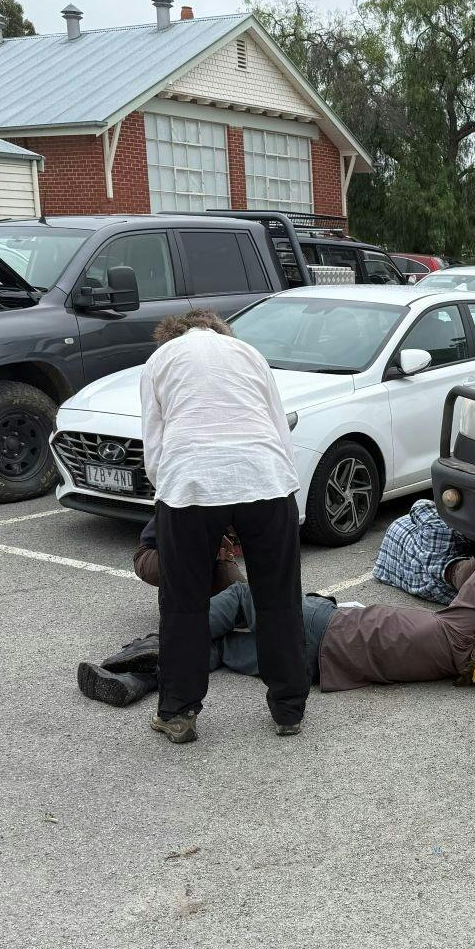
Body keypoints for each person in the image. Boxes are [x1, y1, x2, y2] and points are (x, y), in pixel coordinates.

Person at [79, 544, 475, 705]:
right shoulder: (447, 665)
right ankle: (140, 680)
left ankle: (162, 643)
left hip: (326, 626)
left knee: (240, 600)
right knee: (223, 653)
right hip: (317, 669)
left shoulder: (457, 630)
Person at [140, 310, 306, 744]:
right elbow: (277, 426)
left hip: (191, 480)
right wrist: (278, 489)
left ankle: (178, 713)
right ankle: (289, 709)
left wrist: (171, 494)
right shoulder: (249, 353)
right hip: (266, 477)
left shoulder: (161, 360)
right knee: (278, 598)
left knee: (183, 603)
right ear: (220, 330)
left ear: (170, 336)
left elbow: (154, 440)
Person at [372, 498, 475, 604]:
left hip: (400, 531)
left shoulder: (439, 533)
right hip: (388, 560)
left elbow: (420, 504)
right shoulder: (455, 595)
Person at [132, 513, 242, 592]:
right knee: (194, 559)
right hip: (154, 551)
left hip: (195, 552)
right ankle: (176, 602)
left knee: (243, 598)